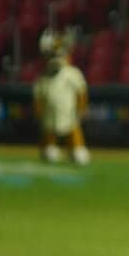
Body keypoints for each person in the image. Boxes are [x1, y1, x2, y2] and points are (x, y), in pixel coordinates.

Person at [32, 28, 89, 165]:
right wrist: (38, 110)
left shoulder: (71, 73)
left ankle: (77, 149)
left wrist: (82, 108)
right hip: (49, 114)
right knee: (49, 130)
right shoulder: (42, 78)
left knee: (72, 128)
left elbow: (80, 91)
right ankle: (50, 148)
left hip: (69, 111)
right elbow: (39, 96)